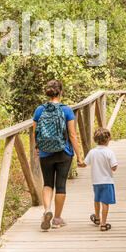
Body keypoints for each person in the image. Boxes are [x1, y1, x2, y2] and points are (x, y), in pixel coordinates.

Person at [33, 79, 84, 231]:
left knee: (48, 183)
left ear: (48, 93)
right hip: (64, 152)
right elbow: (72, 135)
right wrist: (79, 157)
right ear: (61, 92)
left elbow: (35, 132)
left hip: (45, 152)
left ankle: (47, 209)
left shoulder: (39, 110)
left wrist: (38, 150)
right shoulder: (66, 110)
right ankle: (57, 218)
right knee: (60, 185)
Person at [80, 128, 117, 231]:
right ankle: (104, 224)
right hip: (107, 181)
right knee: (105, 202)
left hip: (96, 182)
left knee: (97, 199)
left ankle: (97, 218)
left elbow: (84, 164)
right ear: (108, 139)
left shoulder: (92, 152)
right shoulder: (109, 152)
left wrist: (79, 162)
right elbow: (114, 167)